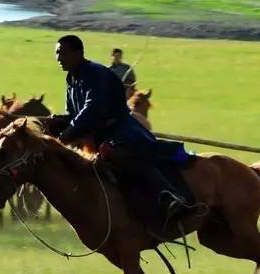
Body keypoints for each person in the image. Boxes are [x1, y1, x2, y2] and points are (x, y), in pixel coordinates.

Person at [52, 35, 197, 237]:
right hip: (98, 138)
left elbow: (92, 109)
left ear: (78, 53)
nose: (58, 57)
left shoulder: (95, 74)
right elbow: (74, 114)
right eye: (56, 53)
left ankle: (169, 197)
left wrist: (68, 132)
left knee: (122, 156)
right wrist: (56, 122)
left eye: (62, 52)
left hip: (121, 132)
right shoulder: (72, 80)